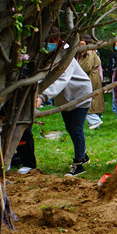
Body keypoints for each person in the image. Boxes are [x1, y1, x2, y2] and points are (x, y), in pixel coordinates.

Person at [35, 30, 93, 177]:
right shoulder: (45, 56)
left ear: (59, 41)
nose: (48, 45)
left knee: (76, 128)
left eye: (52, 41)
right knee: (69, 127)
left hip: (80, 94)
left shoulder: (65, 56)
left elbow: (61, 80)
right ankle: (83, 154)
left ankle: (79, 163)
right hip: (65, 97)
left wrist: (42, 97)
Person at [76, 35, 105, 130]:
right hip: (91, 78)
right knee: (91, 100)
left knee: (85, 100)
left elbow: (86, 67)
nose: (81, 45)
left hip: (90, 78)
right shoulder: (85, 53)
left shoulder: (89, 53)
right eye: (79, 44)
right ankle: (94, 121)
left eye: (83, 44)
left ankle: (94, 120)